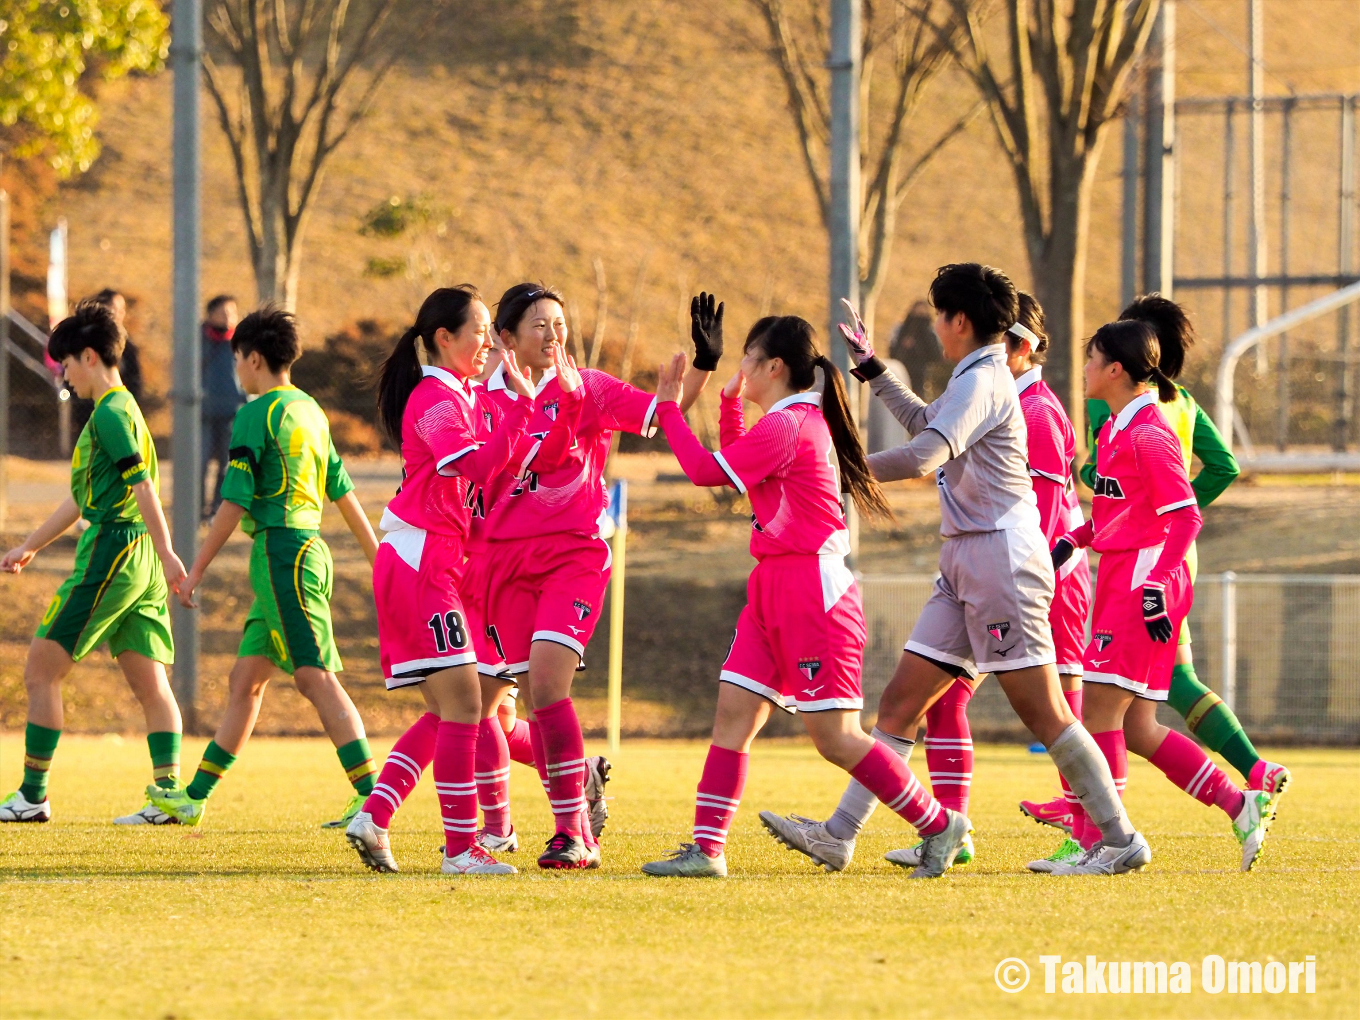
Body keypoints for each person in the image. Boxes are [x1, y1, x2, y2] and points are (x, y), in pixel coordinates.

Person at [760, 264, 1146, 878]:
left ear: (959, 321)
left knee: (1046, 713)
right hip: (968, 558)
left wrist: (833, 469)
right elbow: (925, 425)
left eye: (939, 315)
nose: (935, 327)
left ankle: (1120, 838)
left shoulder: (986, 378)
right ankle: (839, 835)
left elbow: (922, 456)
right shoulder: (977, 374)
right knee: (898, 705)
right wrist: (874, 371)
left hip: (999, 560)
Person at [641, 314, 980, 879]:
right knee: (733, 715)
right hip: (774, 587)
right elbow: (742, 471)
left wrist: (671, 406)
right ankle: (706, 850)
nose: (740, 367)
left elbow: (704, 472)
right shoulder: (787, 422)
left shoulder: (792, 423)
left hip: (811, 593)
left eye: (747, 358)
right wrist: (728, 403)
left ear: (774, 367)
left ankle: (939, 825)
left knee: (837, 737)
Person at [343, 285, 586, 871]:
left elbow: (504, 466)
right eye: (479, 330)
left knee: (458, 707)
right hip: (422, 559)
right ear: (443, 338)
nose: (487, 342)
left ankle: (377, 817)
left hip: (445, 562)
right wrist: (526, 409)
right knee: (465, 705)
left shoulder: (465, 394)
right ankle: (463, 848)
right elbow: (478, 464)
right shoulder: (434, 396)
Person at [476, 288, 716, 870]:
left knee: (548, 688)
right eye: (539, 325)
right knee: (483, 707)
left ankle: (572, 833)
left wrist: (704, 363)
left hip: (574, 557)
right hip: (499, 562)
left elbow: (665, 407)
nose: (553, 334)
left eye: (559, 322)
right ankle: (496, 829)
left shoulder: (589, 389)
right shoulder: (480, 400)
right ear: (506, 339)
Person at [1047, 319, 1273, 873]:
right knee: (1137, 725)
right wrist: (1075, 539)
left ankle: (1109, 844)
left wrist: (1155, 585)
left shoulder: (1148, 429)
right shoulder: (1116, 429)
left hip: (1142, 582)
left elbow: (1185, 516)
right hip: (1125, 574)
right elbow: (1125, 514)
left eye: (1091, 357)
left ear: (1115, 369)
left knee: (1097, 711)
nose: (1084, 368)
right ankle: (1239, 803)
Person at [148, 305, 383, 830]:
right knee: (245, 680)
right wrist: (378, 560)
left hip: (283, 556)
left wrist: (195, 570)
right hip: (302, 552)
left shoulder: (255, 414)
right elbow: (342, 493)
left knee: (314, 678)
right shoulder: (311, 412)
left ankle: (373, 798)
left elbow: (233, 500)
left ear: (252, 358)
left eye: (237, 359)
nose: (237, 370)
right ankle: (193, 798)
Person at [888, 293, 1094, 872]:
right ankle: (949, 831)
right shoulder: (987, 390)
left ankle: (1099, 837)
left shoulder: (1036, 409)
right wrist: (875, 372)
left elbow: (1048, 510)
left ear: (1021, 346)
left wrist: (1023, 580)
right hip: (990, 566)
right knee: (940, 699)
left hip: (1033, 575)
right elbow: (929, 430)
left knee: (1061, 714)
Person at [1, 300, 188, 824]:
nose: (64, 375)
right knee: (151, 683)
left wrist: (172, 553)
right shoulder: (122, 409)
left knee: (40, 671)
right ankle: (169, 797)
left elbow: (143, 486)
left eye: (66, 364)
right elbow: (82, 498)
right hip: (138, 558)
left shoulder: (109, 413)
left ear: (89, 356)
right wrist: (31, 545)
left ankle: (32, 796)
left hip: (115, 552)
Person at [70, 289, 144, 435]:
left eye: (123, 309)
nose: (121, 314)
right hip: (89, 410)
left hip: (117, 411)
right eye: (116, 309)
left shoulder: (127, 347)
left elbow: (135, 380)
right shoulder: (85, 342)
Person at [201, 294, 245, 517]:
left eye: (232, 313)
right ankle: (197, 509)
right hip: (203, 414)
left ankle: (216, 509)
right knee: (200, 465)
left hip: (231, 413)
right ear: (211, 315)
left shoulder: (240, 342)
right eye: (223, 312)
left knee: (226, 466)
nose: (229, 318)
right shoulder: (199, 340)